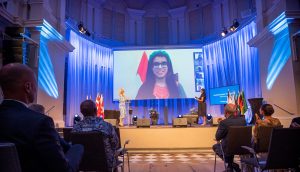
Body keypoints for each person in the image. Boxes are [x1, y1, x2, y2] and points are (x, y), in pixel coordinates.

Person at [0, 63, 83, 172]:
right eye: (36, 85)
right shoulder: (39, 122)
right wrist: (77, 148)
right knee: (78, 148)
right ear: (28, 87)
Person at [73, 100, 120, 170]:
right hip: (105, 163)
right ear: (96, 110)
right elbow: (115, 145)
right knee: (114, 157)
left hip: (82, 163)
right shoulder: (106, 126)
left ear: (81, 112)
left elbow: (73, 147)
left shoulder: (76, 128)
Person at [212, 103, 246, 172]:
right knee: (229, 145)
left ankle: (232, 165)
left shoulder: (224, 122)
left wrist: (220, 124)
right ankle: (230, 167)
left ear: (225, 112)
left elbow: (218, 137)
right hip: (243, 148)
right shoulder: (243, 120)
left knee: (215, 146)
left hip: (229, 148)